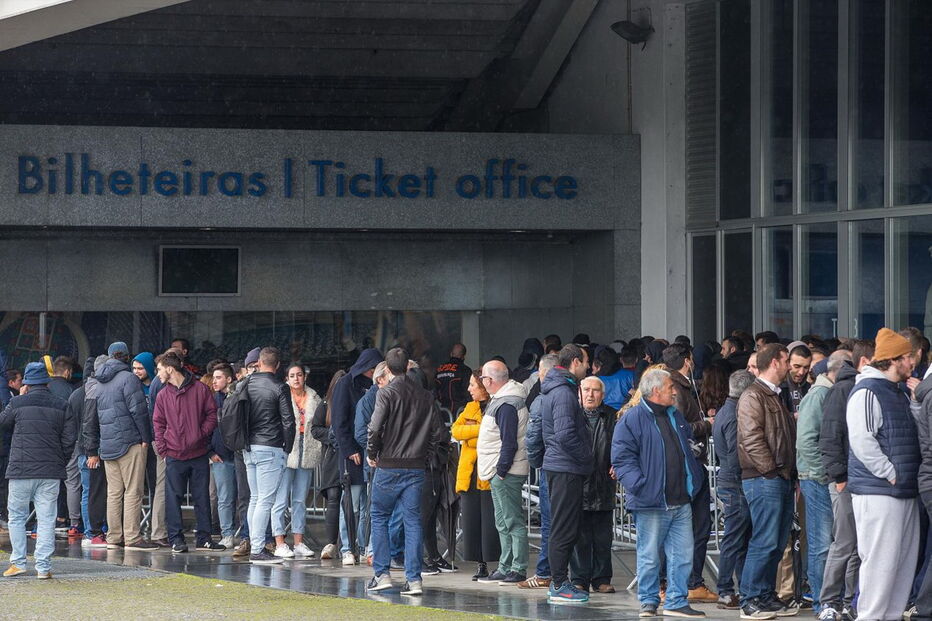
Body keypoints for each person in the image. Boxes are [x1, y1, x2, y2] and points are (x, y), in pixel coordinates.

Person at [612, 368, 706, 618]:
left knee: (682, 555)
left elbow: (686, 446)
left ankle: (676, 600)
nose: (674, 392)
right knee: (650, 556)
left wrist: (693, 476)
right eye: (670, 388)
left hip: (680, 499)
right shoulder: (632, 419)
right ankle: (649, 601)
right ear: (656, 391)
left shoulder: (675, 415)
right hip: (651, 501)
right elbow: (622, 459)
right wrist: (640, 485)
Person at [846, 328, 921, 621]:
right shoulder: (867, 391)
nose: (913, 361)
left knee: (900, 565)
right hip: (880, 491)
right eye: (908, 357)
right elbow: (862, 440)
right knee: (881, 564)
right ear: (894, 359)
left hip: (898, 488)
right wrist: (889, 472)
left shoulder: (895, 391)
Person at [366, 347, 443, 596]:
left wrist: (372, 453)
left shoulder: (386, 393)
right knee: (412, 522)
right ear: (408, 366)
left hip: (389, 464)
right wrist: (425, 456)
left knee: (379, 516)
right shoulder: (425, 395)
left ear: (388, 369)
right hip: (416, 465)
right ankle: (414, 579)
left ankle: (382, 573)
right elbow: (437, 433)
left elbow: (374, 428)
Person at [0, 361, 76, 578]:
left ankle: (18, 562)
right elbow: (69, 440)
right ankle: (43, 567)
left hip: (20, 470)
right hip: (50, 471)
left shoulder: (17, 403)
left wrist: (18, 397)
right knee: (46, 518)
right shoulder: (62, 405)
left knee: (16, 517)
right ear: (47, 381)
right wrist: (60, 460)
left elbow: (3, 423)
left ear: (26, 383)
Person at [737, 342, 795, 619]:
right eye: (786, 361)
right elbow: (751, 438)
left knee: (776, 541)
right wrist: (770, 470)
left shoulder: (773, 395)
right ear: (774, 362)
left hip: (778, 476)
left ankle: (764, 595)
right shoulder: (754, 395)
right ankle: (750, 599)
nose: (789, 367)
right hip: (764, 478)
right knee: (765, 540)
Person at [817, 340, 873, 621]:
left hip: (860, 479)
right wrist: (839, 477)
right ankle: (828, 601)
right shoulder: (843, 389)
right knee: (844, 542)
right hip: (846, 479)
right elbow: (829, 436)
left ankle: (851, 602)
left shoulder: (859, 387)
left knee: (857, 546)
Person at [84, 342, 156, 551]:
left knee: (114, 493)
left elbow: (92, 418)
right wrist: (145, 438)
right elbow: (138, 411)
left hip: (107, 445)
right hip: (129, 442)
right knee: (133, 491)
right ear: (126, 357)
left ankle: (114, 537)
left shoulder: (98, 382)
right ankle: (132, 537)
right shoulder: (129, 378)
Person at [795, 350, 851, 615]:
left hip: (819, 476)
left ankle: (825, 600)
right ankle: (821, 602)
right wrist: (824, 473)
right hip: (816, 478)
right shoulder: (820, 394)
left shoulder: (826, 392)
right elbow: (806, 440)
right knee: (821, 544)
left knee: (827, 542)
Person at [662, 343, 716, 603]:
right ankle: (690, 582)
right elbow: (681, 429)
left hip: (685, 466)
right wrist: (707, 424)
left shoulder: (677, 386)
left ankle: (680, 582)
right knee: (697, 526)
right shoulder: (678, 388)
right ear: (687, 360)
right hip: (689, 466)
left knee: (688, 526)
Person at [152, 351, 223, 552]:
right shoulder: (163, 394)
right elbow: (158, 424)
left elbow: (212, 414)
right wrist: (163, 450)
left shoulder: (200, 389)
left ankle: (204, 538)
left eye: (159, 369)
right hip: (174, 454)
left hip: (199, 452)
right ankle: (176, 539)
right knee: (173, 498)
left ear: (170, 369)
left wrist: (200, 434)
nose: (157, 373)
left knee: (202, 497)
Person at [540, 344, 593, 604]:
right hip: (565, 467)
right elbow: (564, 434)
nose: (589, 366)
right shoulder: (563, 392)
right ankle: (559, 584)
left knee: (566, 527)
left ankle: (561, 581)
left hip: (563, 466)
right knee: (563, 528)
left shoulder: (562, 388)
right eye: (586, 361)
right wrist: (587, 456)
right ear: (575, 362)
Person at [475, 359, 530, 587]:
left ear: (489, 380)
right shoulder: (505, 400)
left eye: (482, 378)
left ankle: (517, 568)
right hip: (503, 471)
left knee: (511, 521)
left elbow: (509, 442)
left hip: (505, 472)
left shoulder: (506, 404)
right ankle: (506, 566)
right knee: (504, 522)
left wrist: (501, 471)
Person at [242, 346, 296, 564]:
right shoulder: (280, 387)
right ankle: (257, 549)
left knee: (255, 499)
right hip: (271, 446)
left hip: (249, 447)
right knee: (265, 500)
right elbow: (288, 421)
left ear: (259, 363)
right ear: (278, 365)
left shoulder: (246, 383)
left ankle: (254, 545)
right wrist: (287, 447)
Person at [331, 347, 383, 566]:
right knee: (350, 504)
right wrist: (350, 449)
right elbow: (339, 421)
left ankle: (362, 547)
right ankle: (347, 547)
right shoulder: (345, 384)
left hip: (369, 453)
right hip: (353, 454)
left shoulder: (376, 387)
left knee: (365, 506)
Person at [711, 370, 756, 610]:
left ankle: (740, 589)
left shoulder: (724, 411)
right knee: (735, 537)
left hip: (730, 480)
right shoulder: (734, 415)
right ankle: (726, 590)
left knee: (740, 538)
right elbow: (734, 454)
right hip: (735, 482)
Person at [569, 376, 617, 594]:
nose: (590, 394)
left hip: (603, 483)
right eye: (586, 389)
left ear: (602, 395)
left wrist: (618, 463)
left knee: (603, 537)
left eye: (595, 390)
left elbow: (620, 444)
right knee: (579, 536)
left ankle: (601, 579)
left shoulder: (612, 416)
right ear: (579, 392)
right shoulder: (572, 414)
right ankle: (579, 578)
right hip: (578, 484)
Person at [451, 370, 500, 581]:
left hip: (489, 471)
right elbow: (456, 431)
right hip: (470, 473)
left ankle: (496, 562)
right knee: (472, 520)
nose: (469, 388)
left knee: (490, 520)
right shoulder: (469, 407)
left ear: (483, 385)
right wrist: (481, 430)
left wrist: (472, 432)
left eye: (473, 384)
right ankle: (480, 564)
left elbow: (494, 435)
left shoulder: (497, 406)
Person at [271, 364, 322, 559]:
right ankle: (279, 542)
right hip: (287, 451)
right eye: (292, 375)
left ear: (304, 377)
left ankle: (299, 542)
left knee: (300, 500)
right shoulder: (281, 395)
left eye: (299, 375)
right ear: (286, 378)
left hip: (306, 451)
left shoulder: (314, 397)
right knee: (280, 500)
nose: (296, 378)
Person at [518, 352, 559, 590]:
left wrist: (537, 462)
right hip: (568, 467)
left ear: (542, 374)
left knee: (549, 522)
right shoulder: (573, 393)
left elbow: (532, 439)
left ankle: (545, 572)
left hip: (549, 466)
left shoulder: (542, 400)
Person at [209, 363, 238, 549]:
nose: (214, 381)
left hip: (240, 453)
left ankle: (247, 535)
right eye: (213, 378)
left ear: (229, 379)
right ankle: (227, 534)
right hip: (220, 456)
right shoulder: (211, 401)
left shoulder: (238, 397)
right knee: (225, 498)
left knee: (245, 498)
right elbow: (205, 428)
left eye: (218, 377)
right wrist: (210, 452)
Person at [435, 343, 473, 418]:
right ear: (463, 357)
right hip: (460, 412)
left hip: (443, 411)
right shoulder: (465, 370)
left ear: (451, 354)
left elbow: (435, 391)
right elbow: (468, 393)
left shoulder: (439, 369)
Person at [782, 344, 812, 415]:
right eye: (797, 366)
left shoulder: (809, 388)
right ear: (788, 364)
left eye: (806, 367)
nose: (801, 372)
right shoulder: (778, 387)